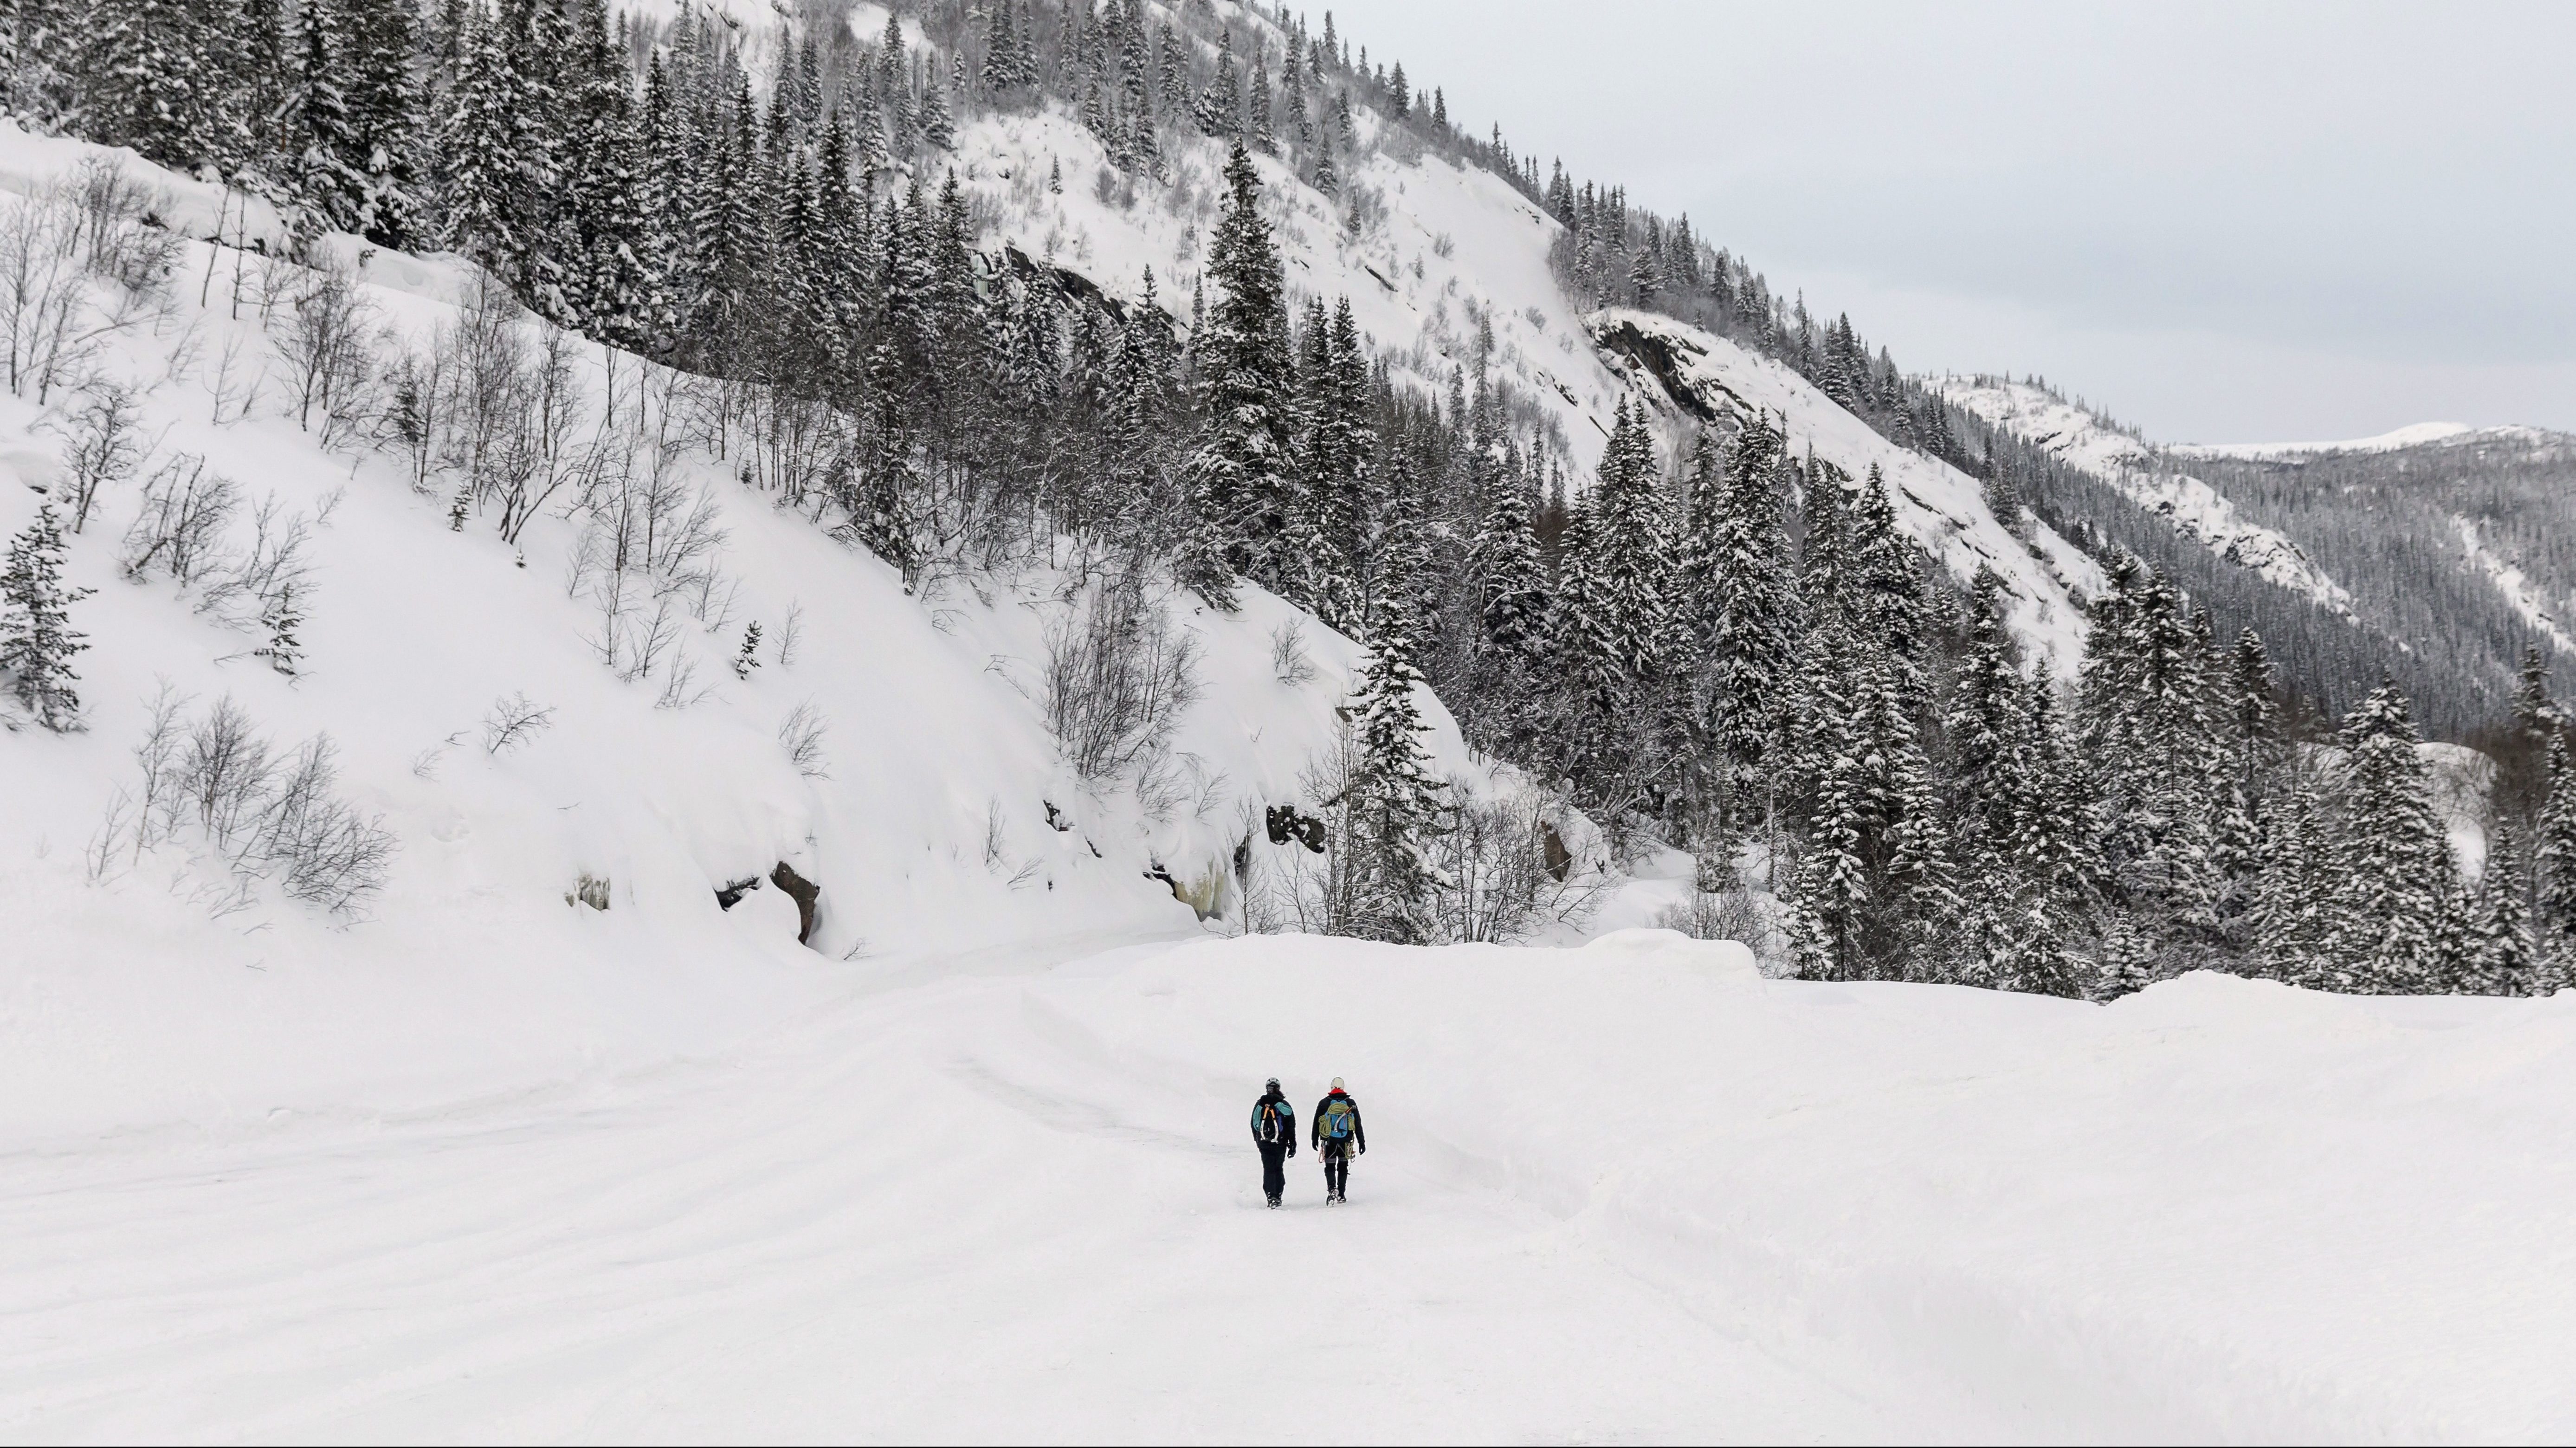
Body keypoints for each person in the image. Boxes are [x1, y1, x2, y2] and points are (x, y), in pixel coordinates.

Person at [1311, 1077, 1365, 1204]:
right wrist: (1362, 1142)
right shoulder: (1351, 1103)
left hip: (1329, 1140)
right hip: (1346, 1141)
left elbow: (1317, 1123)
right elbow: (1358, 1123)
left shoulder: (1324, 1103)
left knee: (1330, 1166)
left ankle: (1332, 1189)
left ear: (1331, 1087)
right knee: (1343, 1166)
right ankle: (1341, 1194)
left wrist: (1314, 1139)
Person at [1250, 1078, 1297, 1208]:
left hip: (1264, 1142)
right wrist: (1292, 1143)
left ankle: (1271, 1196)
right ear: (1278, 1088)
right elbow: (1291, 1124)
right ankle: (1278, 1195)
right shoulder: (1283, 1104)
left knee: (1268, 1169)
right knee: (1278, 1168)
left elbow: (1254, 1124)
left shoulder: (1260, 1104)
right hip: (1280, 1142)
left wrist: (1258, 1140)